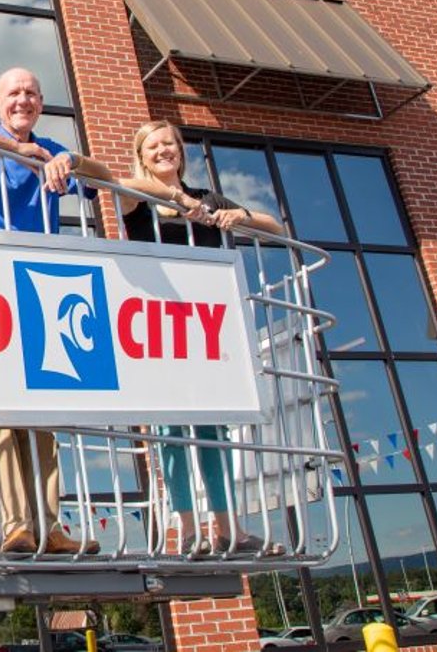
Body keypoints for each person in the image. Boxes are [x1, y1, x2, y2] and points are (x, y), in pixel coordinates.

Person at [0, 66, 111, 556]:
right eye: (14, 92)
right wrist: (14, 149)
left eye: (32, 93)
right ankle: (16, 525)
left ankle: (50, 525)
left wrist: (69, 161)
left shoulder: (54, 149)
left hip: (42, 290)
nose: (24, 100)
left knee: (44, 413)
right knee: (1, 412)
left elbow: (108, 178)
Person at [117, 119, 284, 556]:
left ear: (181, 151)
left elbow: (277, 228)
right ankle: (188, 530)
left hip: (208, 324)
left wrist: (240, 215)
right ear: (142, 155)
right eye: (153, 146)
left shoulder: (207, 198)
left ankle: (227, 529)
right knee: (173, 427)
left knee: (212, 429)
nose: (163, 151)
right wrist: (173, 199)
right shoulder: (140, 197)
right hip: (160, 324)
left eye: (169, 144)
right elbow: (119, 191)